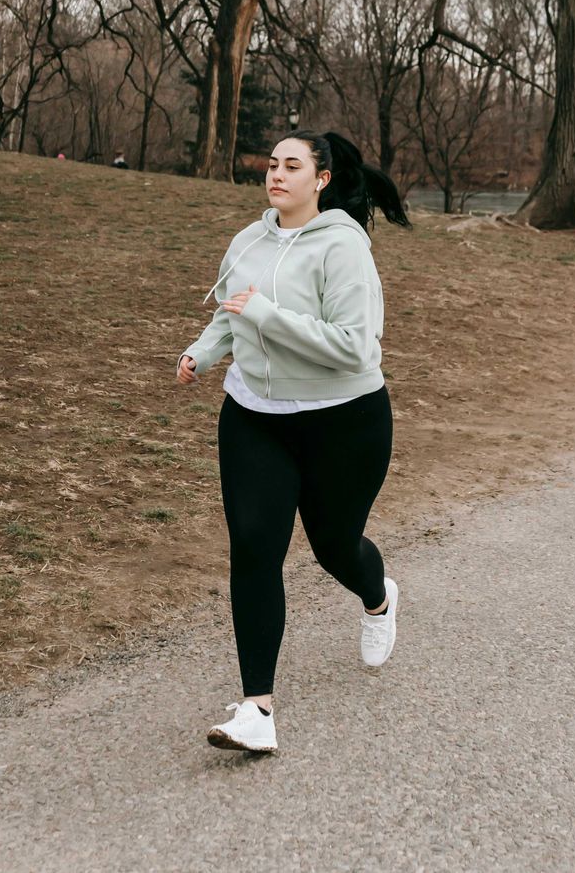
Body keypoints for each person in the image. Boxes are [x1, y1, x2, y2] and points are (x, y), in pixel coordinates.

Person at [176, 130, 409, 755]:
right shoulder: (247, 240)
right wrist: (202, 353)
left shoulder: (344, 249)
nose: (276, 174)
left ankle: (377, 596)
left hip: (345, 421)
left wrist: (266, 318)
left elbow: (355, 346)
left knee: (335, 547)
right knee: (254, 547)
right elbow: (231, 311)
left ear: (322, 179)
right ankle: (257, 710)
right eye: (272, 163)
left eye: (292, 165)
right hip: (255, 416)